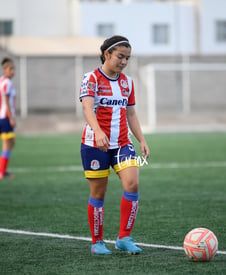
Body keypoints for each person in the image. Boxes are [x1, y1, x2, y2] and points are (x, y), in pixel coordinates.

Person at [79, 35, 150, 255]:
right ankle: (97, 242)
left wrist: (142, 139)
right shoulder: (90, 78)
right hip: (94, 145)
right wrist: (98, 132)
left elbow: (131, 113)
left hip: (122, 144)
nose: (123, 62)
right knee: (99, 194)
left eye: (127, 58)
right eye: (120, 56)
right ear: (107, 54)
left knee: (133, 183)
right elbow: (87, 109)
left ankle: (124, 238)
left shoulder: (128, 83)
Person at [0, 57, 16, 180]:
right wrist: (11, 118)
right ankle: (2, 172)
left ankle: (0, 165)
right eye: (10, 69)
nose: (13, 71)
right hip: (4, 117)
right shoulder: (7, 83)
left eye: (13, 69)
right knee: (7, 144)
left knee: (11, 142)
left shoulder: (0, 81)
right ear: (4, 69)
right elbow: (6, 101)